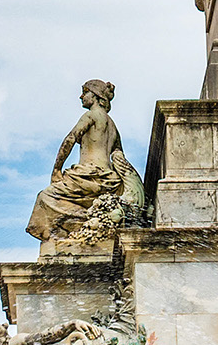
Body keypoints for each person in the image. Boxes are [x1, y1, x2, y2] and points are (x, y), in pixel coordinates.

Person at [25, 81, 144, 242]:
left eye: (85, 92)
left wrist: (56, 169)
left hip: (87, 175)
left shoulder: (91, 115)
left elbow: (70, 140)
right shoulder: (113, 126)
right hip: (110, 180)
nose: (81, 96)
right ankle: (91, 221)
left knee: (45, 197)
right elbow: (119, 156)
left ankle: (73, 228)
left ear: (96, 96)